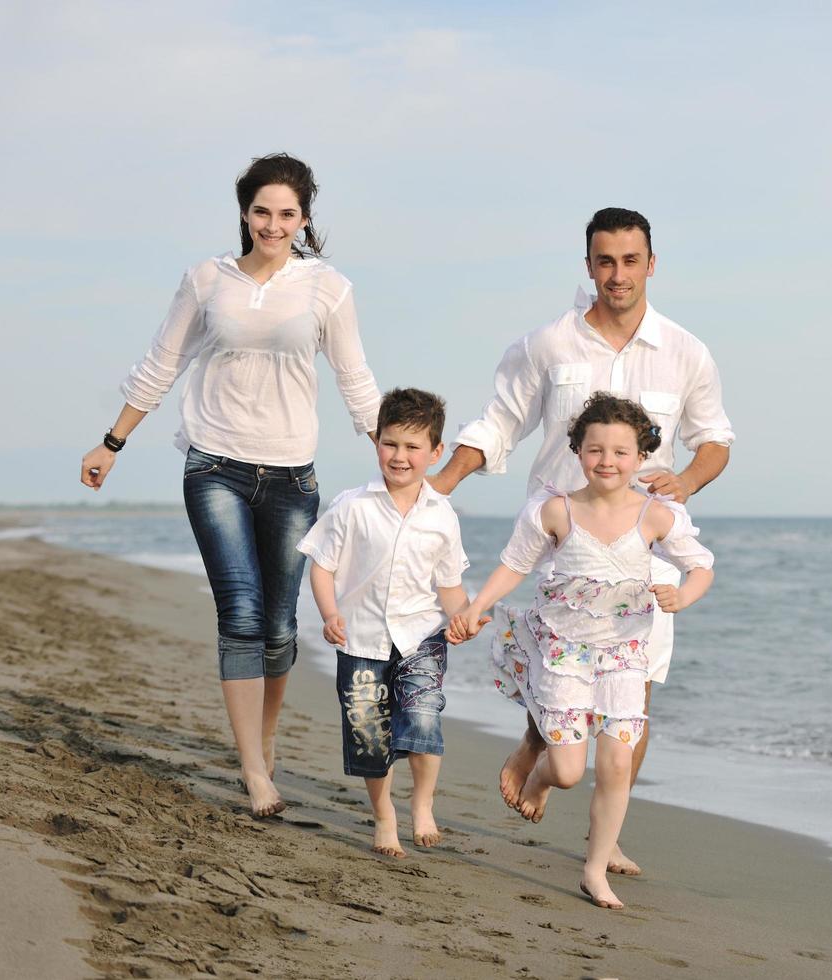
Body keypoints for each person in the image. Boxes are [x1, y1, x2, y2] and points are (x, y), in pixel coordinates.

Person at [429, 206, 734, 875]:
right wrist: (442, 481)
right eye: (605, 260)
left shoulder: (687, 352)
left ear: (651, 264)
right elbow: (498, 423)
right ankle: (534, 746)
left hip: (639, 553)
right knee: (565, 672)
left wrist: (683, 480)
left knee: (636, 697)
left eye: (630, 260)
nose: (617, 274)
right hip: (562, 546)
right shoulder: (550, 344)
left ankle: (606, 838)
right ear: (588, 264)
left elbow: (715, 440)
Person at [79, 153, 383, 817]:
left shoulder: (328, 289)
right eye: (261, 212)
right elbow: (162, 363)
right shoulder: (206, 279)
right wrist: (112, 441)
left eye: (287, 214)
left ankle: (264, 741)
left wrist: (394, 460)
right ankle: (253, 771)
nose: (272, 225)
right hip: (214, 465)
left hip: (293, 474)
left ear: (304, 219)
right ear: (245, 212)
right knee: (241, 614)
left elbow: (355, 380)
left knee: (279, 629)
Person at [448, 393, 714, 909]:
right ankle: (542, 777)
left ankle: (594, 868)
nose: (607, 462)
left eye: (620, 452)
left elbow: (701, 565)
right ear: (577, 451)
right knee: (569, 770)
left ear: (641, 458)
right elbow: (514, 566)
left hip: (624, 654)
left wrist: (682, 595)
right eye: (595, 450)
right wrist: (477, 606)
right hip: (565, 651)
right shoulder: (556, 509)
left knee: (616, 763)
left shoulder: (658, 515)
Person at [297, 388, 470, 857]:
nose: (400, 456)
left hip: (421, 635)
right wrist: (330, 613)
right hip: (360, 637)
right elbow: (322, 566)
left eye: (413, 447)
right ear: (377, 443)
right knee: (369, 736)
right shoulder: (352, 506)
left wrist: (463, 617)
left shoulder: (442, 516)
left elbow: (450, 586)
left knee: (423, 716)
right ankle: (384, 816)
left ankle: (423, 806)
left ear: (435, 453)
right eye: (390, 443)